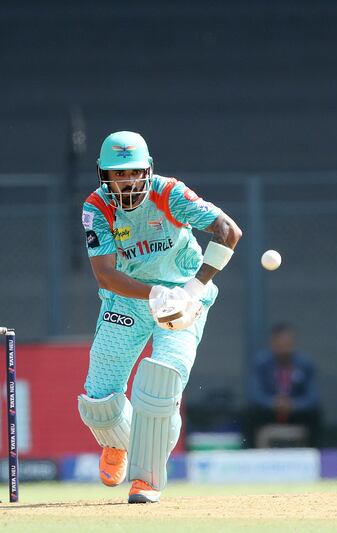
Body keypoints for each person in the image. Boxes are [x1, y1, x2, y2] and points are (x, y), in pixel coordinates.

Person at [77, 131, 242, 503]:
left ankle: (146, 479)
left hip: (182, 296)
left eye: (133, 172)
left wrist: (193, 290)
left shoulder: (169, 194)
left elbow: (229, 231)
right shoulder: (96, 208)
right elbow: (104, 274)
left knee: (160, 384)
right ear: (104, 175)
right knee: (98, 404)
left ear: (148, 170)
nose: (126, 181)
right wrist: (153, 294)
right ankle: (117, 444)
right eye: (118, 175)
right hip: (128, 300)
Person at [245, 322, 321, 448]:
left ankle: (318, 457)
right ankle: (251, 458)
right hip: (270, 411)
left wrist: (293, 405)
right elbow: (255, 394)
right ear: (273, 344)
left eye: (288, 345)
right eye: (280, 345)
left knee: (315, 414)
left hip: (296, 412)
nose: (284, 349)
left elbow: (312, 397)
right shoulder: (261, 363)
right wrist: (274, 403)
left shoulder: (305, 364)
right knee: (250, 414)